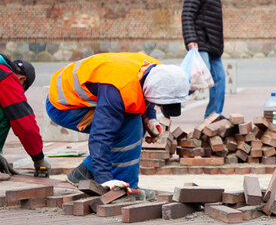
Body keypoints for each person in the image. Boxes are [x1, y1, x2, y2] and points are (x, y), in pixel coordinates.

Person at [46, 52, 189, 191]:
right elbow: (101, 135)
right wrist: (104, 179)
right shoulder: (118, 89)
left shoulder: (158, 70)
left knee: (133, 121)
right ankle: (125, 188)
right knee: (129, 126)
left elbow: (144, 91)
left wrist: (150, 118)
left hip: (94, 95)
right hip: (64, 105)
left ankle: (83, 173)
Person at [182, 0, 228, 118]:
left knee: (220, 79)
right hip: (201, 42)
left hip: (213, 45)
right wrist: (190, 40)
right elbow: (187, 13)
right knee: (197, 79)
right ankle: (172, 101)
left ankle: (214, 115)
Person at [0, 54, 50, 180]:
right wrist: (39, 159)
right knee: (10, 112)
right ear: (21, 79)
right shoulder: (7, 77)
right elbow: (24, 124)